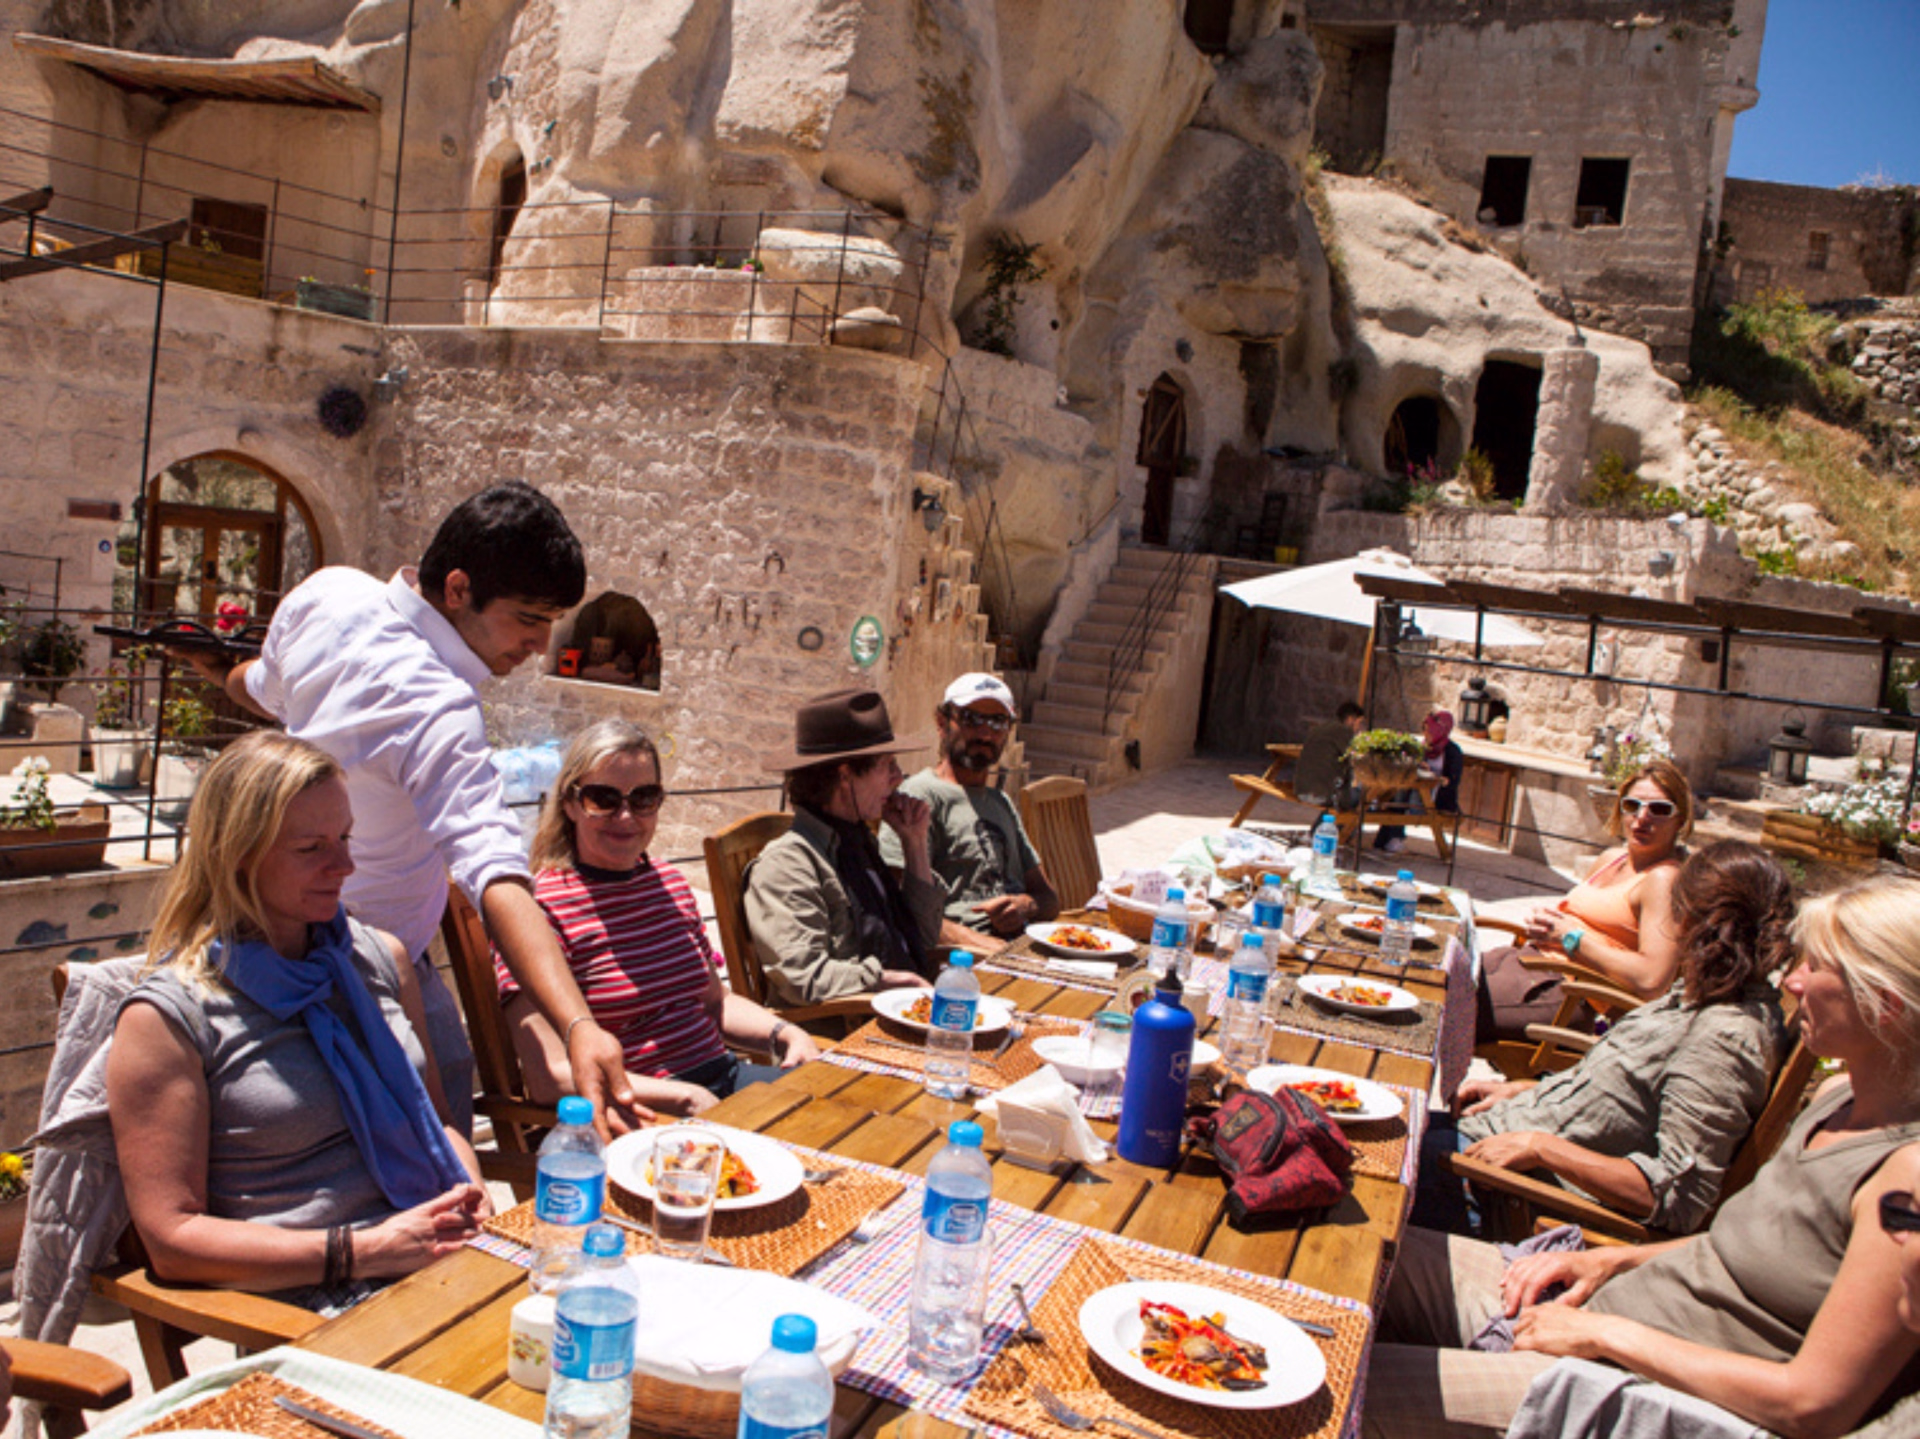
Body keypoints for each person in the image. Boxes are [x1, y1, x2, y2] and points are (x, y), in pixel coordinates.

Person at [1363, 873, 1920, 1439]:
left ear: (1885, 1003)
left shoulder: (1903, 1178)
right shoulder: (1838, 1098)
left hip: (1636, 1385)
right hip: (1604, 1302)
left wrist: (1604, 1336)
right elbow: (1736, 1244)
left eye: (1817, 967)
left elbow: (1812, 1405)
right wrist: (1608, 1262)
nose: (1793, 981)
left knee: (1344, 1390)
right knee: (1366, 1245)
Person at [182, 482, 641, 1133]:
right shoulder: (439, 705)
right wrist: (578, 1023)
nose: (541, 644)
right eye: (528, 619)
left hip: (257, 938)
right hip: (362, 976)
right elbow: (494, 870)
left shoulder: (327, 596)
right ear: (458, 589)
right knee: (438, 1155)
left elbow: (261, 686)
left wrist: (210, 668)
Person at [106, 732, 490, 1314]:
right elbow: (172, 1239)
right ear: (236, 853)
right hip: (320, 1305)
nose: (346, 866)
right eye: (311, 847)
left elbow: (436, 1121)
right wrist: (364, 1250)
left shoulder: (377, 961)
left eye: (345, 838)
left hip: (445, 1259)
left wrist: (471, 1190)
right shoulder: (172, 1018)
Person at [1416, 841, 1790, 1238]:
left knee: (1372, 1152)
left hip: (1497, 1190)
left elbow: (1679, 1197)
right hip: (1493, 1136)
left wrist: (1541, 1147)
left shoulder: (1725, 1038)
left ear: (1691, 922)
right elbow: (1625, 1097)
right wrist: (1525, 1090)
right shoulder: (1703, 995)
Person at [498, 720, 821, 1116]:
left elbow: (715, 1004)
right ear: (569, 804)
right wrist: (682, 1096)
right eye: (603, 799)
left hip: (723, 1078)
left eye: (644, 798)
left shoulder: (667, 883)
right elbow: (549, 1075)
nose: (626, 817)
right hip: (643, 1109)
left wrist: (785, 1033)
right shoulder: (538, 911)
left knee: (848, 1109)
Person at [745, 689, 943, 1006]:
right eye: (887, 764)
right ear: (846, 775)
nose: (897, 777)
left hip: (899, 1008)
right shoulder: (788, 864)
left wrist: (915, 842)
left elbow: (922, 937)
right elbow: (802, 976)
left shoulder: (858, 845)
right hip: (846, 1026)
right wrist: (884, 981)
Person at [1476, 757, 1691, 1045]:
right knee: (1435, 974)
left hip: (1567, 994)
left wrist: (1570, 938)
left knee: (1447, 1005)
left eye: (1660, 809)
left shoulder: (1663, 880)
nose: (1641, 818)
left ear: (1680, 820)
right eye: (1632, 805)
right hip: (1528, 963)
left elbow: (1652, 979)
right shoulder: (1611, 858)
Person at [877, 673, 1059, 954]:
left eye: (998, 722)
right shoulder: (919, 797)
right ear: (942, 723)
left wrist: (1025, 905)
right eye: (972, 719)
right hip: (962, 960)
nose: (985, 734)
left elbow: (1049, 899)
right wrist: (983, 945)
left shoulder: (1000, 803)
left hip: (1020, 947)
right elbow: (898, 906)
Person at [1375, 709, 1465, 854]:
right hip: (1416, 791)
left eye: (1429, 730)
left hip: (1437, 797)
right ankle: (1391, 839)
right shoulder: (1422, 747)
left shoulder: (1452, 752)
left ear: (1439, 730)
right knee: (1400, 789)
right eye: (1424, 729)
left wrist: (1434, 776)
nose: (1425, 734)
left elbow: (1452, 781)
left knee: (1403, 793)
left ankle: (1392, 838)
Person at [1295, 701, 1367, 811]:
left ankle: (1324, 821)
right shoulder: (1344, 732)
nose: (1360, 727)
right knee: (1365, 796)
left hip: (1302, 791)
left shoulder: (1319, 729)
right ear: (1350, 719)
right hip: (1324, 796)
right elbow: (1357, 761)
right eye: (1360, 723)